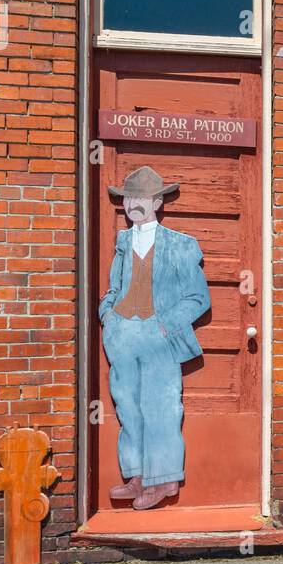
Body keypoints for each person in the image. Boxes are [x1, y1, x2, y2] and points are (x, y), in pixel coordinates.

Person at [99, 165, 211, 510]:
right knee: (128, 408)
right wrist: (109, 314)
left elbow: (198, 298)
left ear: (158, 202)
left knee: (161, 408)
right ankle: (136, 476)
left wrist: (165, 324)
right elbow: (115, 287)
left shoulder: (180, 245)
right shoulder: (122, 242)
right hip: (123, 335)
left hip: (160, 337)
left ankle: (164, 480)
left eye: (142, 198)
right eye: (129, 197)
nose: (134, 204)